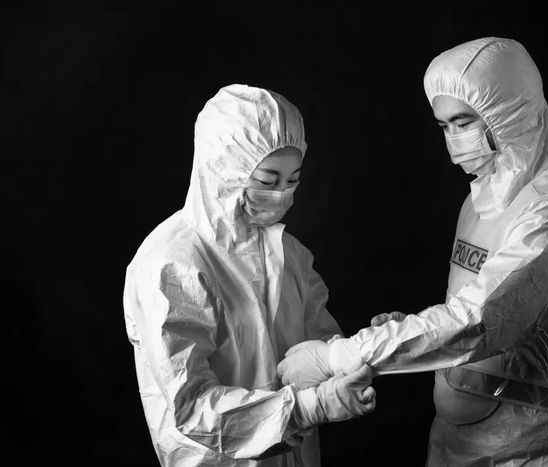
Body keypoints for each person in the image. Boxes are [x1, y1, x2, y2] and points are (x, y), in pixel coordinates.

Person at [278, 37, 548, 466]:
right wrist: (410, 333)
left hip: (533, 450)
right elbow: (463, 314)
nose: (454, 141)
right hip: (456, 443)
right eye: (444, 127)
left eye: (464, 122)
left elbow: (479, 322)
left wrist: (341, 355)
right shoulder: (480, 201)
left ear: (510, 111)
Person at [123, 84, 376, 467]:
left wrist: (357, 353)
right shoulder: (174, 264)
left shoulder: (287, 253)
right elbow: (192, 405)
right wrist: (308, 408)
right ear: (224, 169)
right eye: (268, 181)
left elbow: (317, 343)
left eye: (292, 180)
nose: (282, 194)